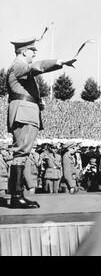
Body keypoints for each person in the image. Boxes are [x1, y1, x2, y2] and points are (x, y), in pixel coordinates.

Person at [6, 37, 77, 208]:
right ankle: (16, 197)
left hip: (25, 111)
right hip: (24, 113)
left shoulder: (18, 67)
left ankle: (17, 195)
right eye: (32, 50)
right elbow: (36, 67)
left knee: (21, 154)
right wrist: (59, 62)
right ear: (23, 52)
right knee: (21, 154)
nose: (34, 53)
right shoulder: (19, 64)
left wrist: (37, 102)